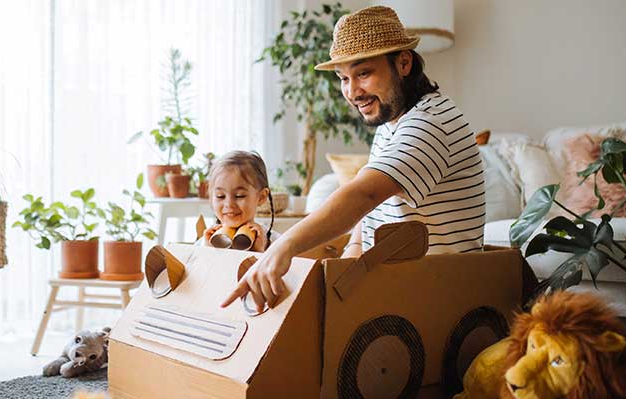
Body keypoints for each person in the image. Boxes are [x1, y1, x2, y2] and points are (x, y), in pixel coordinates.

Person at [222, 6, 484, 310]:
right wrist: (348, 260)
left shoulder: (429, 123)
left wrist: (284, 246)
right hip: (397, 282)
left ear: (403, 63)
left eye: (363, 73)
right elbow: (373, 208)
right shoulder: (394, 123)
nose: (352, 92)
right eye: (343, 78)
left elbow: (364, 192)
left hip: (436, 295)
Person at [198, 150, 280, 252]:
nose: (229, 204)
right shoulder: (204, 242)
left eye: (239, 196)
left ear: (261, 197)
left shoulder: (277, 244)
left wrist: (259, 253)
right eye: (220, 196)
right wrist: (207, 251)